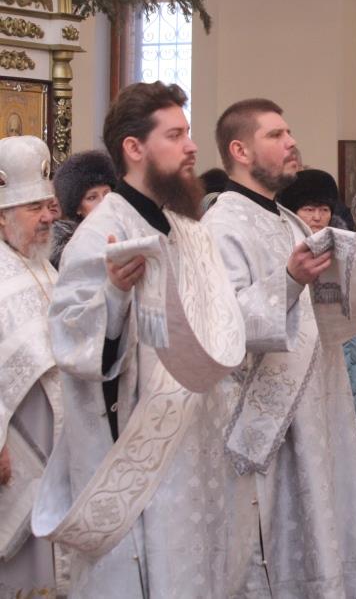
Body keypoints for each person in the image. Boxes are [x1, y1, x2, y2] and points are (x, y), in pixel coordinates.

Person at [34, 82, 250, 597]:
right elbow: (71, 343)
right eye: (174, 135)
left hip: (200, 440)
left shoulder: (188, 227)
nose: (191, 147)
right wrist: (113, 295)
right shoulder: (102, 231)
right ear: (134, 147)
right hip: (143, 455)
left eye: (187, 133)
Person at [202, 98, 356, 597]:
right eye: (276, 135)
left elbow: (315, 312)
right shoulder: (222, 226)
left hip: (317, 404)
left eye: (289, 132)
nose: (291, 142)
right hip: (267, 419)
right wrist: (287, 279)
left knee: (324, 522)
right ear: (240, 150)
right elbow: (222, 325)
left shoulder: (288, 221)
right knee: (277, 542)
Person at [278, 168, 356, 452]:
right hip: (299, 372)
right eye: (308, 209)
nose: (317, 217)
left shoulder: (346, 249)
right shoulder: (282, 255)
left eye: (323, 209)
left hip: (349, 371)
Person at [0, 136, 62, 597]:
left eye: (48, 205)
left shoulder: (46, 267)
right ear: (2, 216)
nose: (47, 217)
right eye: (33, 208)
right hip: (15, 443)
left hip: (57, 440)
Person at [50, 149, 117, 267]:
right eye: (92, 197)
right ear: (77, 208)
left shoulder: (131, 230)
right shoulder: (71, 251)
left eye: (106, 193)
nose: (103, 202)